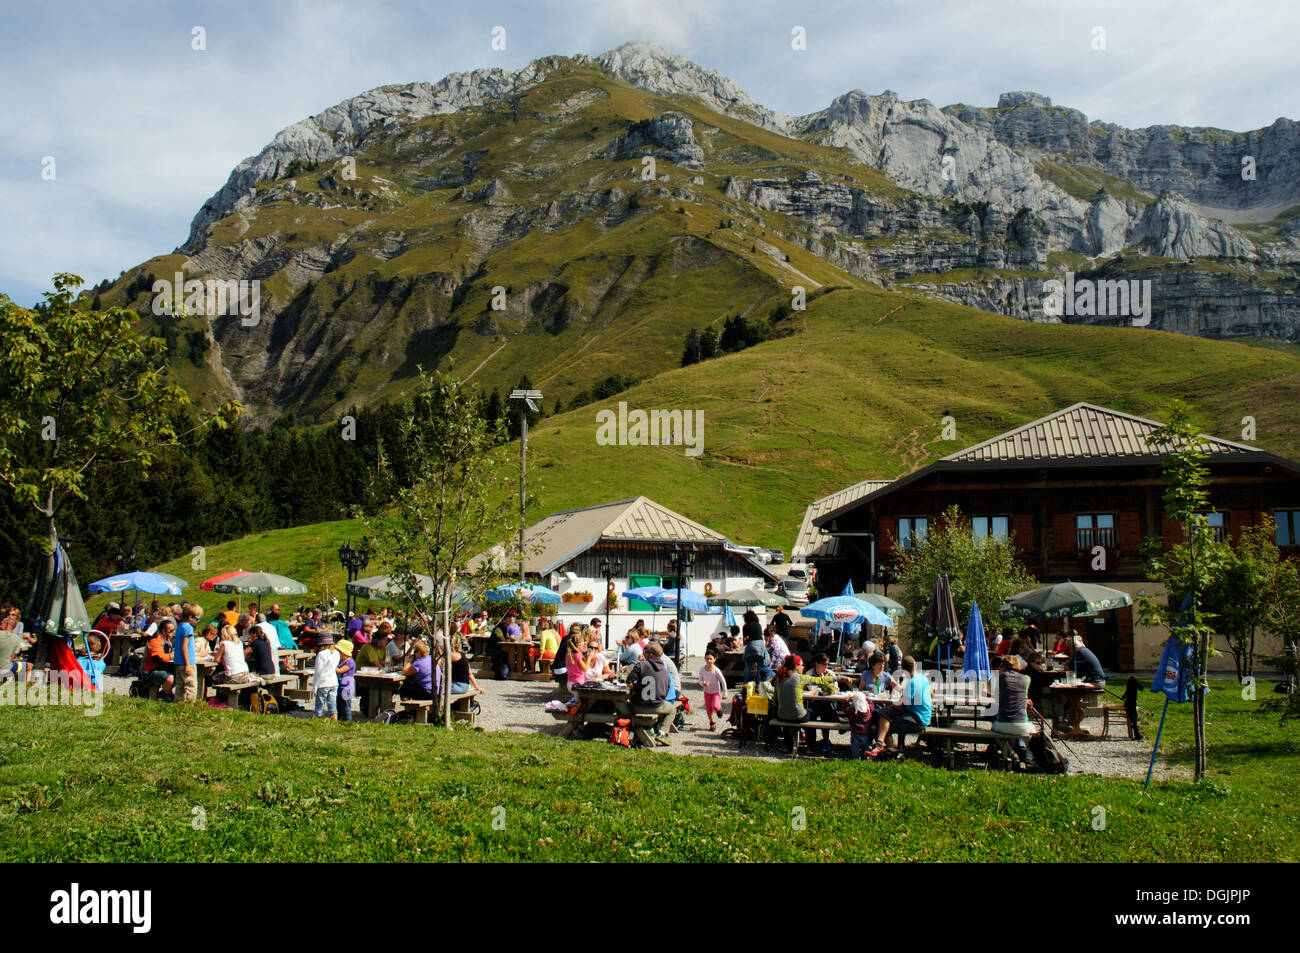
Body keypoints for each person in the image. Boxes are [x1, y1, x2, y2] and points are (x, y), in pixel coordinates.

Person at [869, 656, 931, 757]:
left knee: (885, 726)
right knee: (884, 713)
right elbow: (931, 693)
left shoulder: (912, 682)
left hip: (918, 718)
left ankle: (894, 753)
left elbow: (901, 704)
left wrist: (892, 704)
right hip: (921, 714)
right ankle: (881, 744)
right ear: (915, 665)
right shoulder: (923, 678)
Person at [628, 643, 677, 741]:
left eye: (645, 652)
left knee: (625, 705)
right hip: (657, 707)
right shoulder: (664, 670)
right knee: (672, 710)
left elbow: (629, 682)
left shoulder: (641, 665)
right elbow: (666, 690)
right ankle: (663, 731)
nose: (644, 654)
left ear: (650, 655)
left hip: (638, 706)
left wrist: (636, 688)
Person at [172, 609, 200, 703]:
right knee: (191, 686)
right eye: (196, 618)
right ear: (190, 617)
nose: (197, 621)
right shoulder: (188, 628)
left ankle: (178, 704)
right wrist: (188, 664)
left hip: (178, 661)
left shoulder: (179, 626)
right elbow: (184, 646)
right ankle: (189, 706)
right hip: (187, 661)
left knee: (179, 686)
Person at [840, 691, 875, 759]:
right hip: (865, 732)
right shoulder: (868, 710)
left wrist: (847, 700)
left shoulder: (852, 711)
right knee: (865, 746)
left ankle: (856, 758)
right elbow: (872, 705)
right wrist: (866, 698)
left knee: (855, 747)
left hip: (855, 733)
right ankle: (866, 756)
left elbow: (845, 708)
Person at [312, 634, 340, 718]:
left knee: (320, 703)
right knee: (332, 702)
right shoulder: (336, 653)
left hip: (323, 682)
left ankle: (319, 718)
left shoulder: (321, 654)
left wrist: (315, 686)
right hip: (334, 681)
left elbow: (318, 671)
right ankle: (334, 717)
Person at [699, 652, 728, 730]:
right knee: (708, 709)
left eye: (710, 659)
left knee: (715, 706)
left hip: (715, 692)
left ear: (714, 660)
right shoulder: (702, 669)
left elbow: (723, 681)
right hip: (707, 692)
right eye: (707, 659)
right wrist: (703, 683)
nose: (709, 661)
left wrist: (724, 693)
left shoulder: (716, 670)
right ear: (704, 659)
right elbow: (700, 680)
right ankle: (712, 723)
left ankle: (719, 709)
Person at [741, 609, 765, 684]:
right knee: (760, 665)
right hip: (760, 645)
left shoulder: (745, 626)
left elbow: (745, 640)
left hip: (751, 646)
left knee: (748, 665)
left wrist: (746, 641)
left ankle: (746, 683)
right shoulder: (759, 625)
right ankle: (758, 683)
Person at [336, 639, 355, 721]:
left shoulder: (350, 662)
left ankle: (347, 720)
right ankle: (340, 718)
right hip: (340, 687)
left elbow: (340, 671)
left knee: (346, 705)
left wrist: (330, 665)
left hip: (347, 688)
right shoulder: (341, 662)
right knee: (339, 704)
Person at [564, 625, 588, 691]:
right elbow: (585, 669)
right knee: (579, 701)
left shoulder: (568, 654)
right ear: (578, 645)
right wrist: (589, 657)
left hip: (570, 682)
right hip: (577, 682)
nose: (583, 646)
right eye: (582, 644)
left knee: (577, 700)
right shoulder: (577, 655)